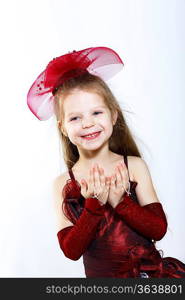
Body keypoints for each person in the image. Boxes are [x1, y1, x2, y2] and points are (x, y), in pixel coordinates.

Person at [27, 47, 185, 278]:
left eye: (96, 113)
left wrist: (120, 201)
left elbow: (158, 229)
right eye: (75, 117)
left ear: (113, 115)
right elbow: (71, 251)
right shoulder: (62, 183)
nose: (88, 123)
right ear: (63, 126)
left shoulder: (134, 166)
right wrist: (94, 204)